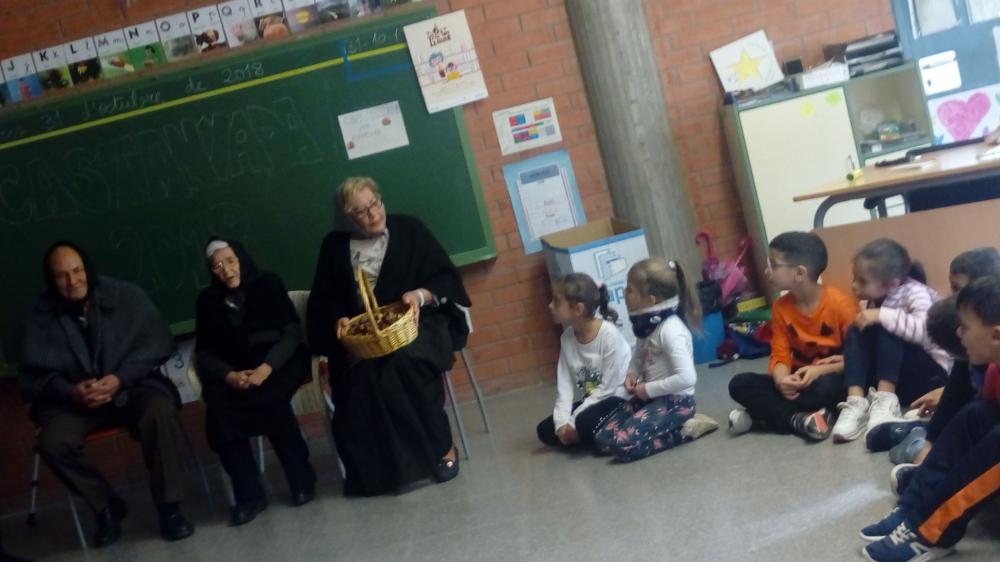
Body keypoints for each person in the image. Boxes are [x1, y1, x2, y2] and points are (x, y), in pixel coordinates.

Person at [17, 242, 194, 548]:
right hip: (74, 403)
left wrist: (119, 378)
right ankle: (107, 507)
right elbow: (34, 373)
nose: (72, 281)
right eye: (62, 276)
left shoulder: (124, 296)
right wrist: (71, 391)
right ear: (51, 280)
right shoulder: (39, 317)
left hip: (131, 388)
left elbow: (155, 344)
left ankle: (170, 509)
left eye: (77, 271)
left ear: (87, 269)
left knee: (159, 411)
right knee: (52, 442)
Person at [307, 177, 471, 496]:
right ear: (346, 218)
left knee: (402, 363)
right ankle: (382, 473)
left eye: (375, 204)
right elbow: (325, 300)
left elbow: (446, 280)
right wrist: (339, 319)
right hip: (365, 333)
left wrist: (419, 295)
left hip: (417, 323)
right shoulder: (334, 246)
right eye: (361, 212)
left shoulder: (409, 229)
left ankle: (442, 449)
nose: (373, 214)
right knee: (359, 377)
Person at [859, 276, 1000, 562]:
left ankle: (931, 532)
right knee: (976, 414)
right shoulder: (994, 370)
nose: (959, 333)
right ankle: (914, 508)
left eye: (965, 327)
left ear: (996, 335)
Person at [194, 238, 317, 526]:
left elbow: (291, 333)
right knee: (219, 411)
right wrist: (229, 375)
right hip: (235, 371)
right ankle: (249, 495)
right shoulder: (208, 301)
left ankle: (301, 479)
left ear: (242, 259)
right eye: (218, 266)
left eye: (231, 261)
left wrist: (266, 368)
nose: (227, 271)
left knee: (272, 399)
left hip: (278, 361)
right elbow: (205, 352)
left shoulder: (268, 283)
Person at [728, 232, 859, 441]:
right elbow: (780, 355)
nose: (767, 271)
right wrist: (782, 380)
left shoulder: (840, 304)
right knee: (739, 384)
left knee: (827, 387)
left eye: (773, 265)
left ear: (799, 273)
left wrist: (819, 370)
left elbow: (859, 359)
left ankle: (763, 416)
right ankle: (799, 418)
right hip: (797, 385)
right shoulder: (780, 307)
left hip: (829, 379)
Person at [593, 257, 717, 462]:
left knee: (622, 446)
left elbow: (687, 378)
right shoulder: (648, 325)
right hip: (650, 397)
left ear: (651, 300)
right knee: (602, 440)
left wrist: (647, 389)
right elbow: (639, 354)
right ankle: (664, 427)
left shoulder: (671, 330)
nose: (624, 293)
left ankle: (686, 430)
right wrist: (632, 373)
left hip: (676, 401)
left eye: (630, 290)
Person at [832, 239, 948, 443]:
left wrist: (882, 315)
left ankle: (886, 401)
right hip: (899, 377)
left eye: (862, 281)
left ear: (892, 283)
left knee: (885, 326)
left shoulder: (915, 292)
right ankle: (856, 402)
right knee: (856, 328)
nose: (854, 286)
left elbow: (926, 331)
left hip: (930, 378)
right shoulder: (870, 301)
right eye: (854, 278)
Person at [535, 273, 631, 451]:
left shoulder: (609, 335)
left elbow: (608, 389)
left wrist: (573, 422)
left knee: (582, 424)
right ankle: (586, 435)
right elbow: (564, 385)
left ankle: (591, 433)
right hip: (592, 401)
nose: (550, 306)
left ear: (578, 309)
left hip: (617, 398)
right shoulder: (567, 338)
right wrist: (562, 423)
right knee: (545, 430)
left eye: (556, 302)